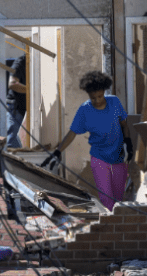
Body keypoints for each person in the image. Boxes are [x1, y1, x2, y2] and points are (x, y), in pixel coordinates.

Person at [45, 71, 133, 211]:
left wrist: (128, 142)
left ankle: (117, 227)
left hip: (119, 156)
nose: (97, 100)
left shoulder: (114, 102)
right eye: (93, 98)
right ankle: (108, 227)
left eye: (99, 96)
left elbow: (124, 125)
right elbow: (72, 133)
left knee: (119, 198)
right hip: (99, 157)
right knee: (106, 198)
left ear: (104, 91)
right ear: (88, 95)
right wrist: (57, 151)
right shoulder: (85, 110)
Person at [5, 54, 27, 148]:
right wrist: (32, 89)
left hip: (24, 107)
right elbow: (13, 84)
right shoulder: (20, 62)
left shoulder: (35, 62)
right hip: (15, 107)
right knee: (12, 140)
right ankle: (13, 162)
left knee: (19, 140)